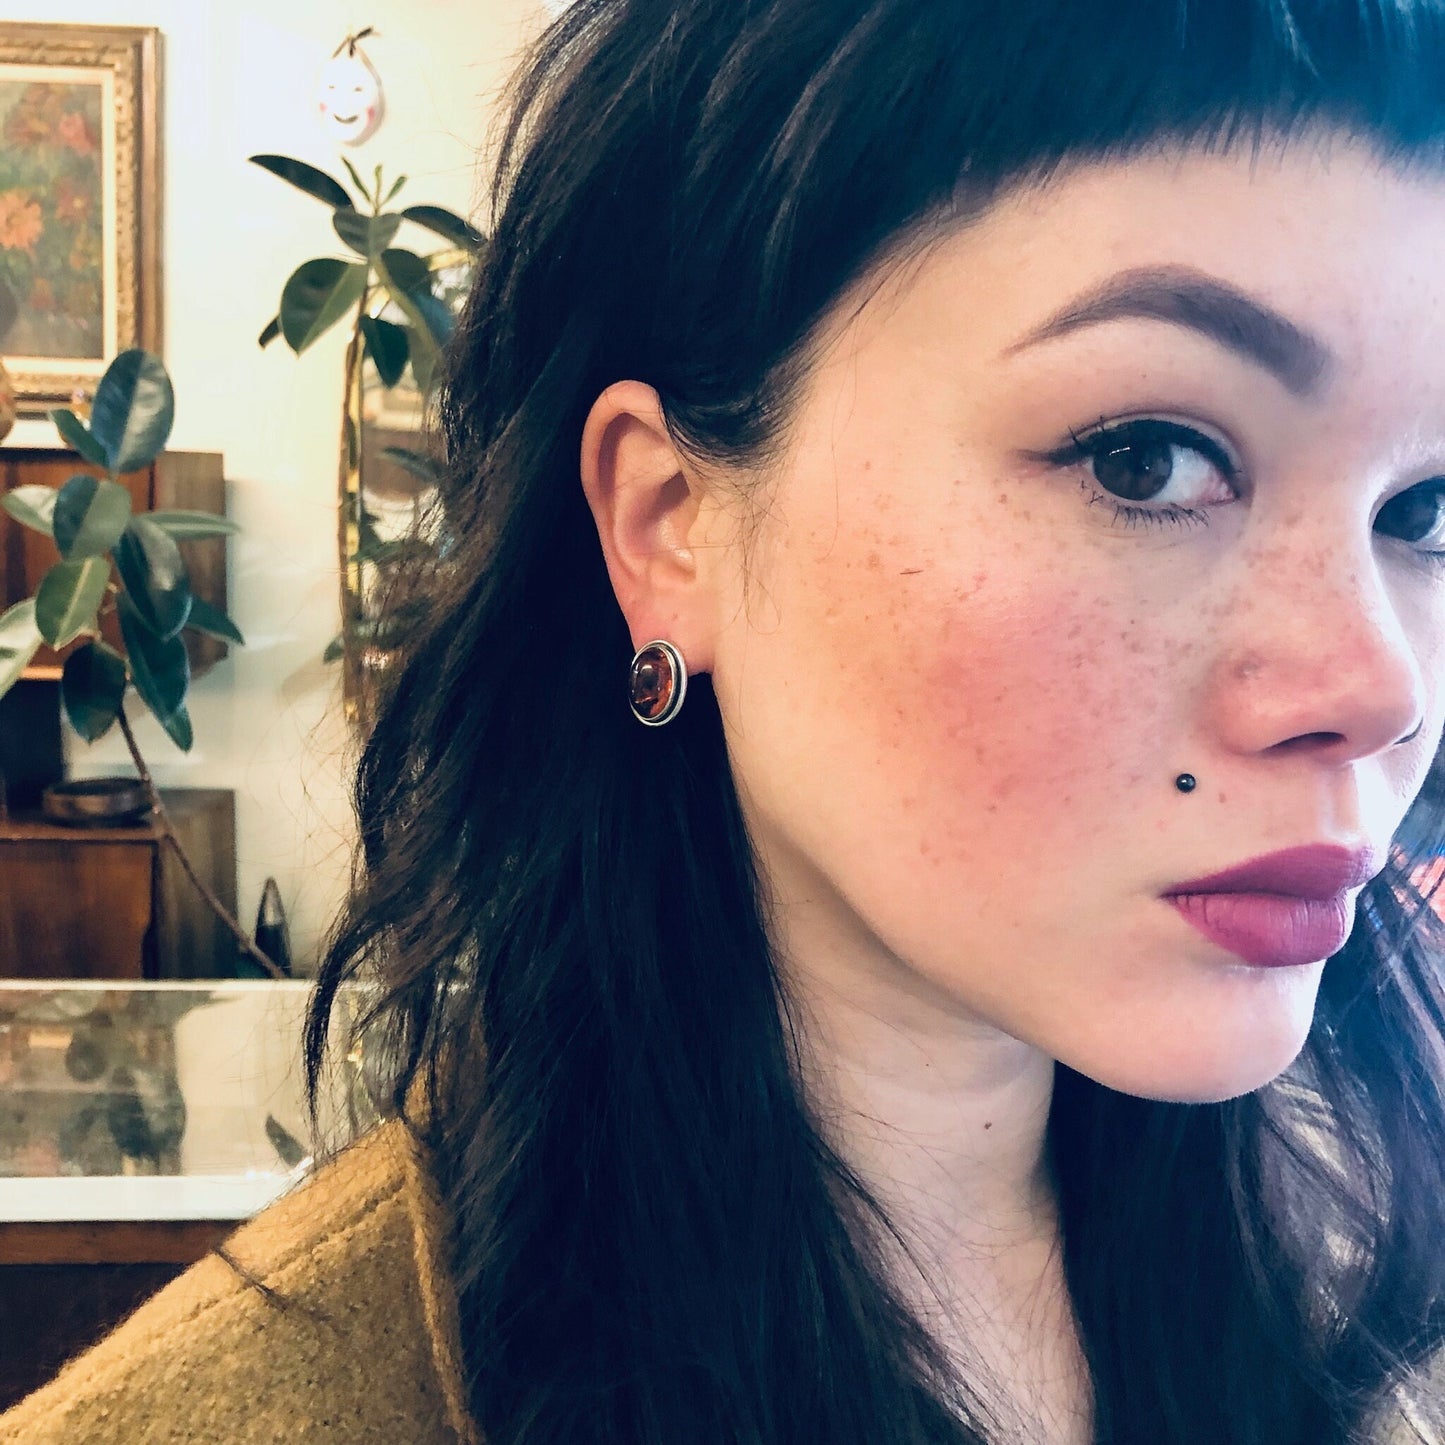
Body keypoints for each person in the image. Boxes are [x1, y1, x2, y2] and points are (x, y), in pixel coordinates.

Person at [6, 1, 1445, 1442]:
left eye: (1423, 507)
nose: (1376, 688)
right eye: (1145, 458)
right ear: (668, 524)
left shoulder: (1371, 1278)